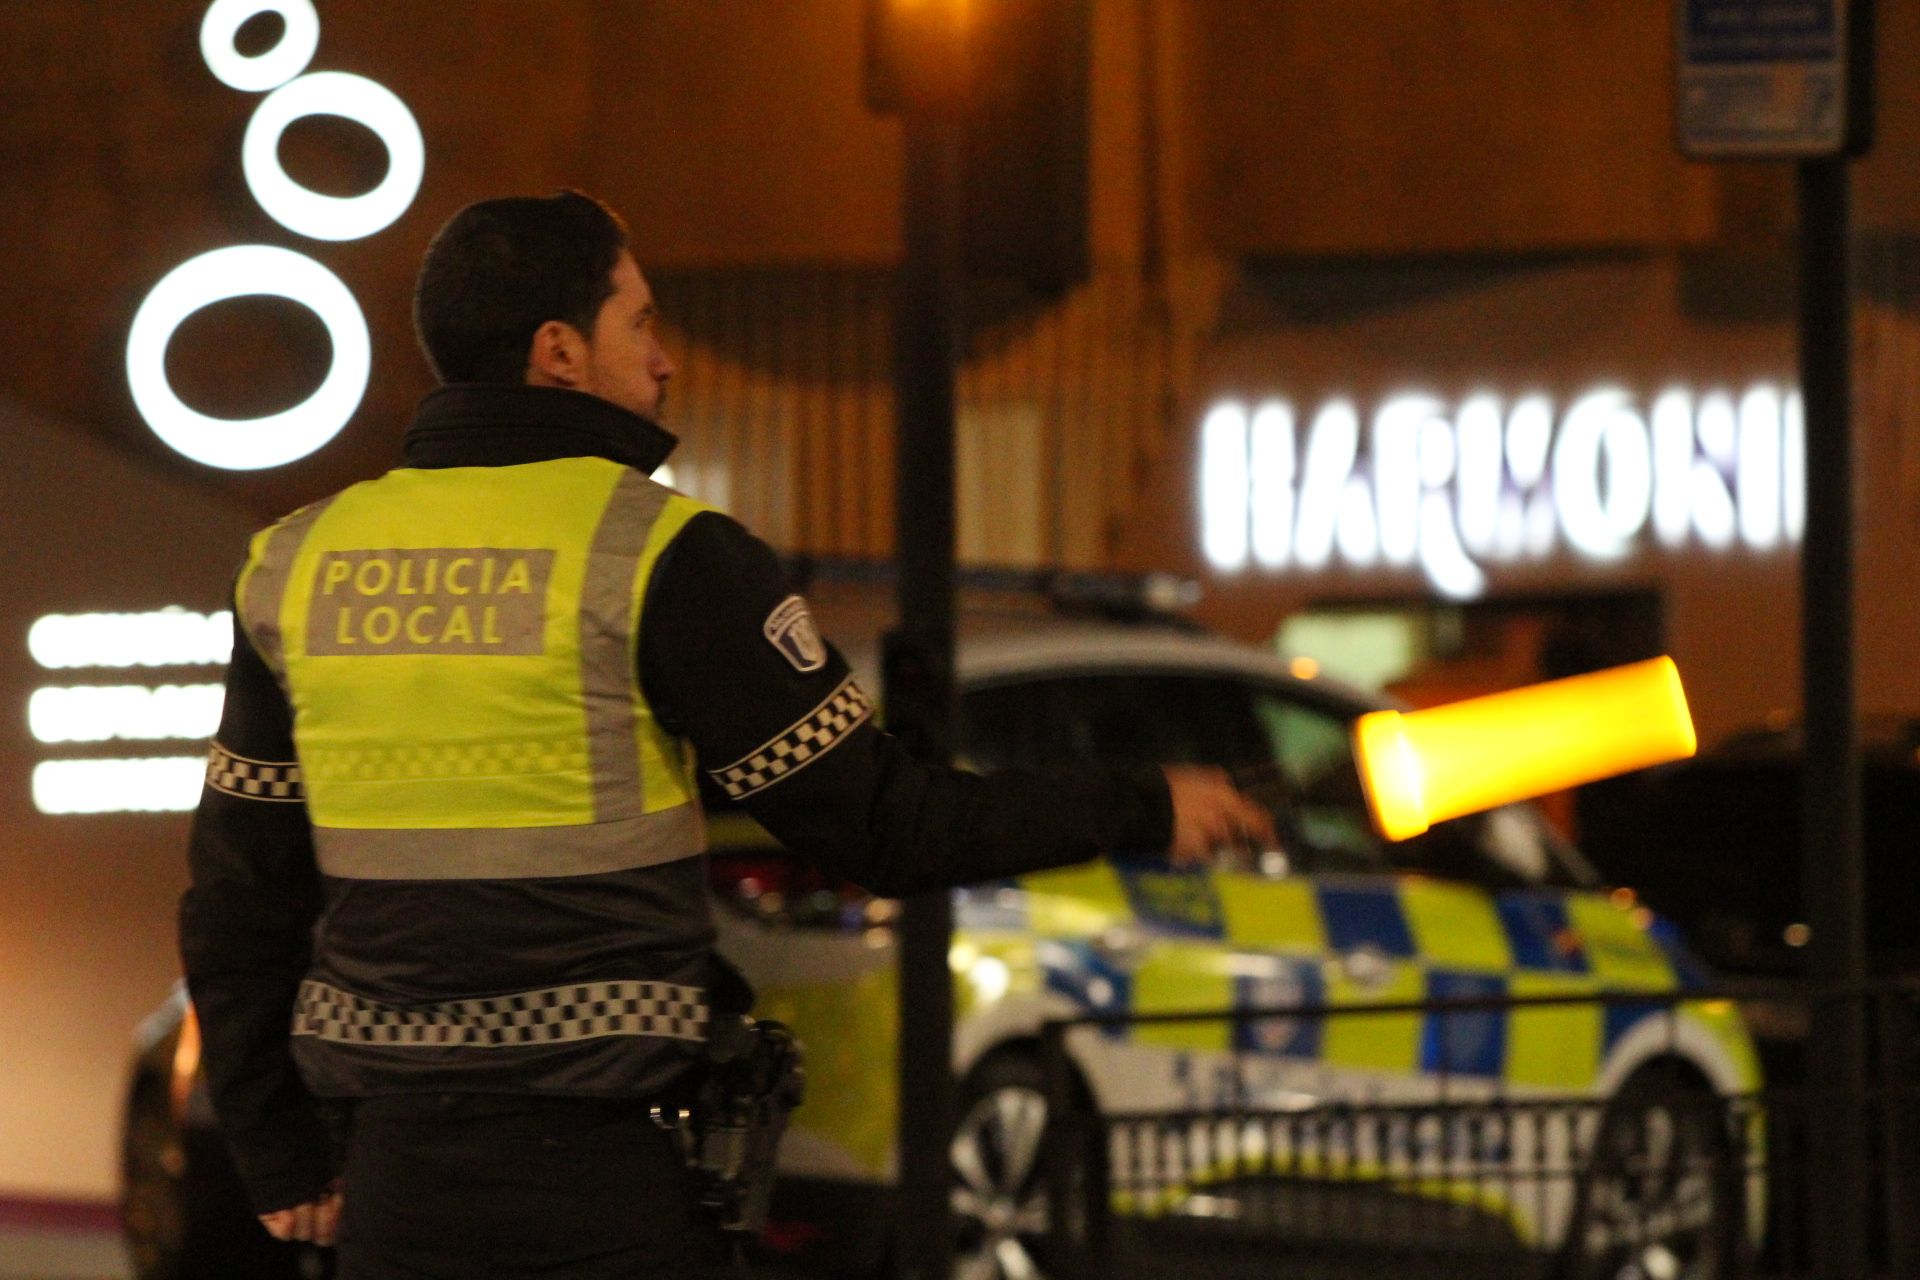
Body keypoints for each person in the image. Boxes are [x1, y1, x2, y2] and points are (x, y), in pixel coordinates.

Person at [178, 189, 1274, 1280]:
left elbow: (240, 890)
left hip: (393, 1192)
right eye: (641, 323)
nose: (663, 362)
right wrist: (1140, 802)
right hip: (605, 1184)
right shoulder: (659, 555)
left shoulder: (303, 562)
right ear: (559, 351)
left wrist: (277, 1152)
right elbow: (882, 823)